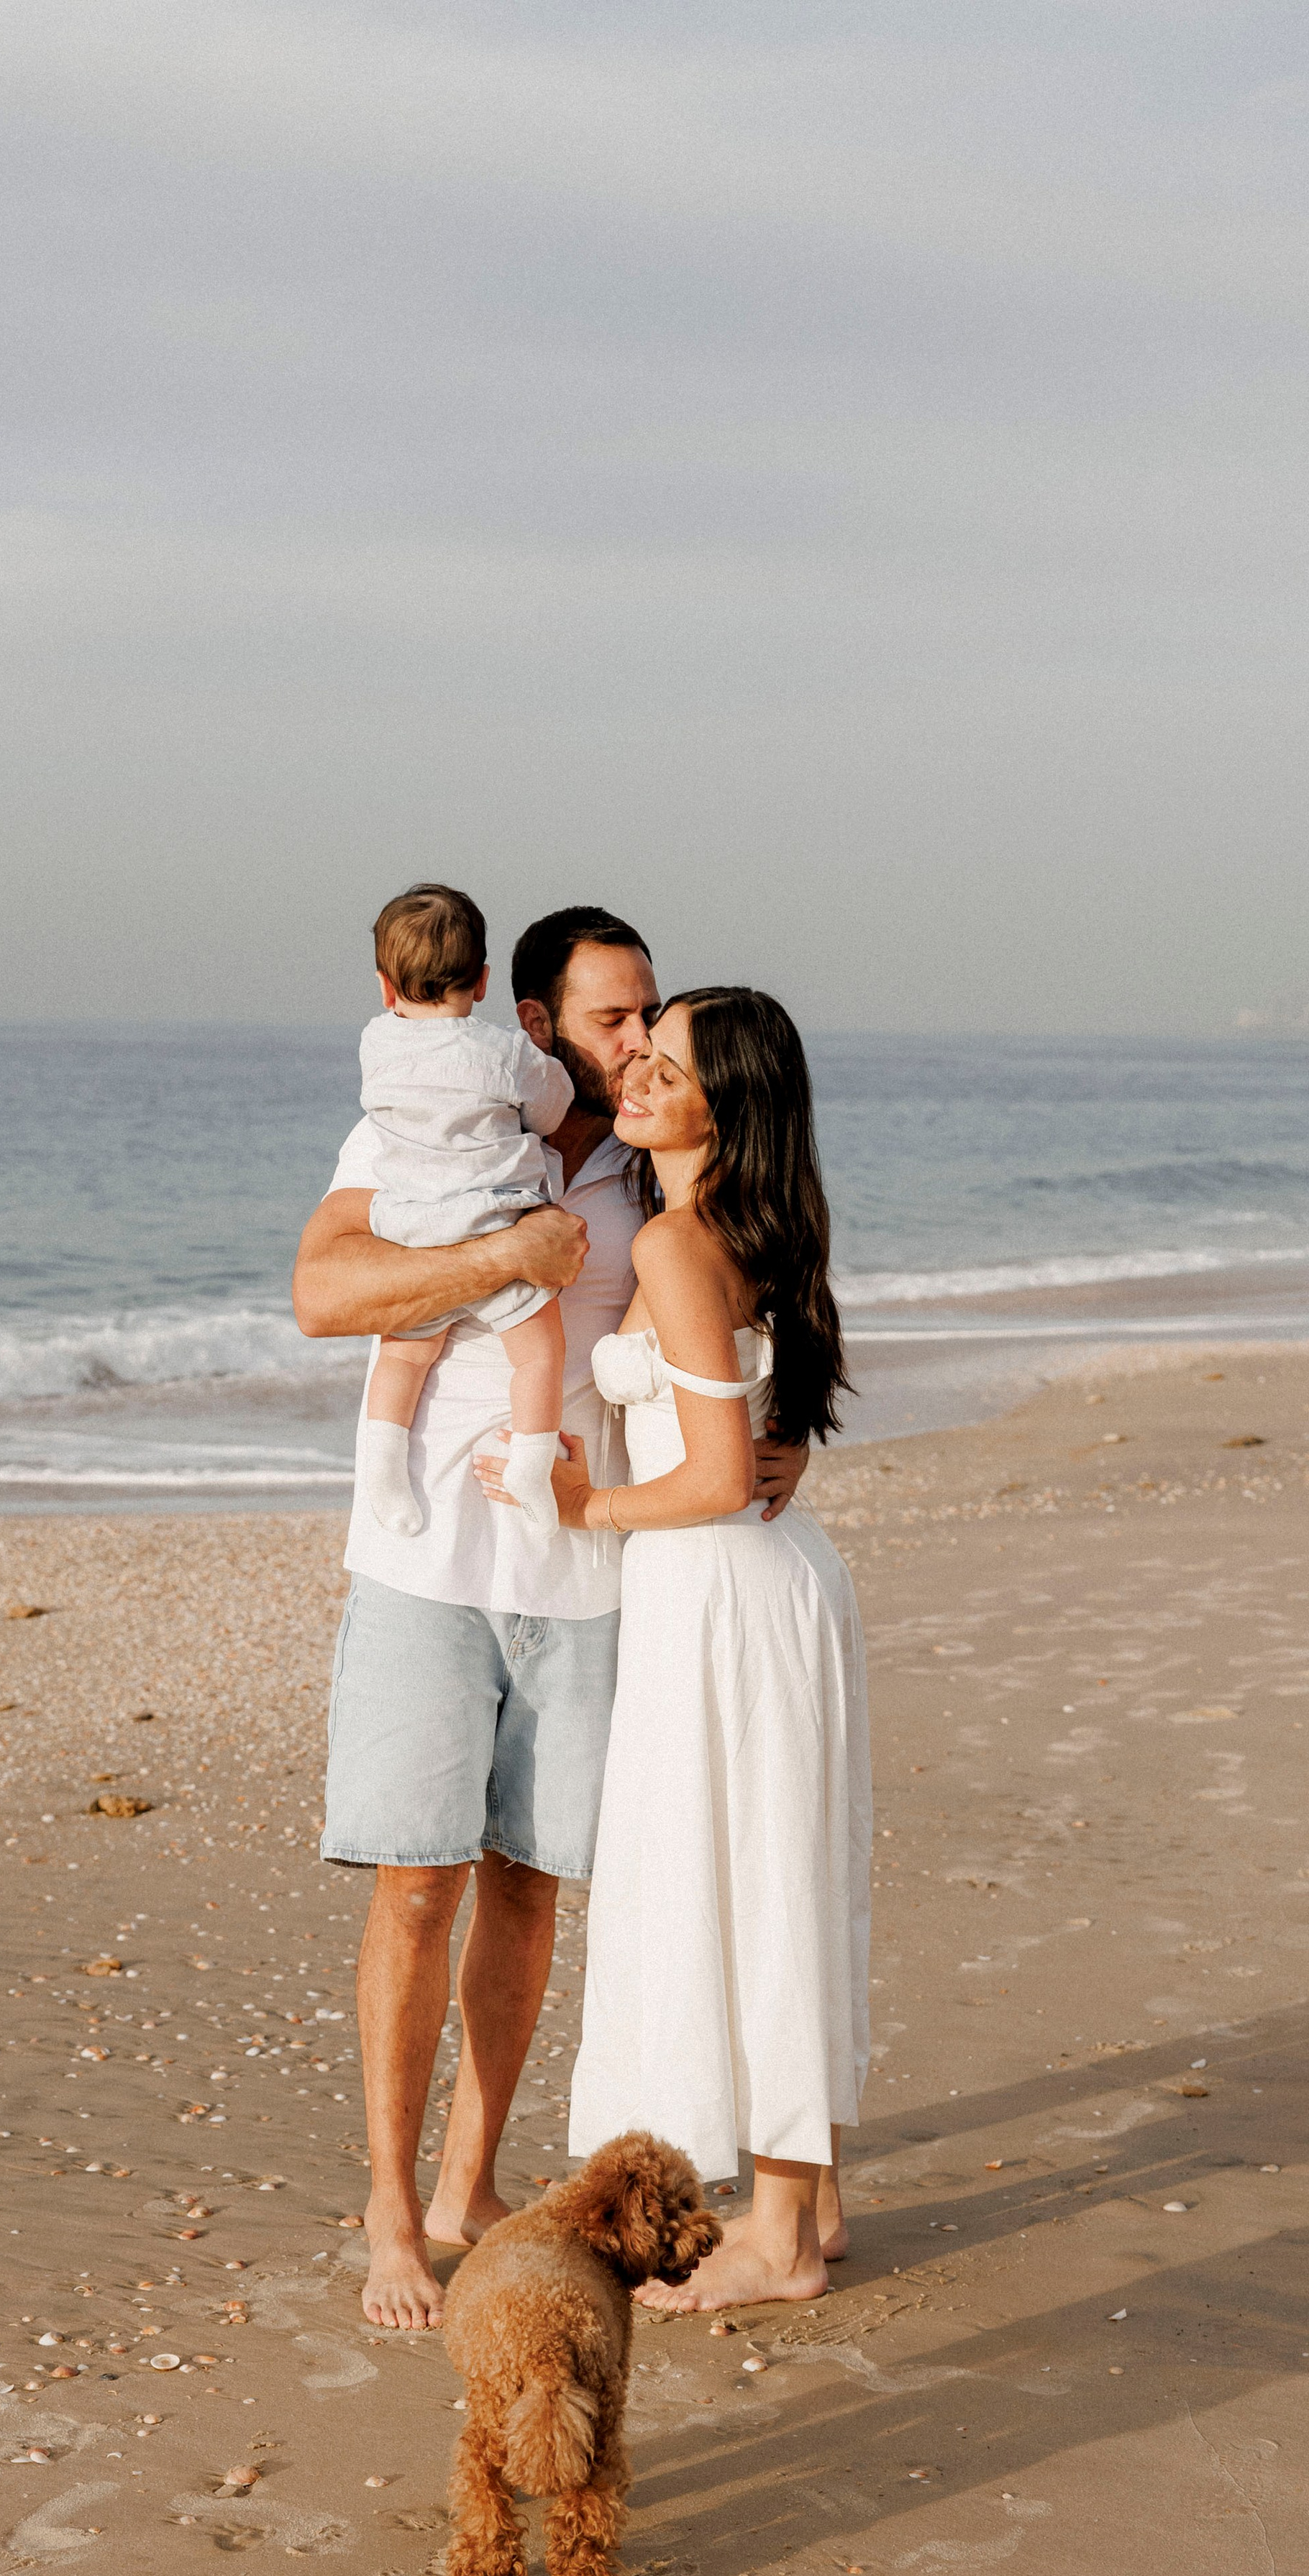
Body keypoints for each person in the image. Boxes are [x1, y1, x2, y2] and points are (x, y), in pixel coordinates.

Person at [293, 909, 812, 2330]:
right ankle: (391, 2212)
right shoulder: (441, 1137)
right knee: (414, 1883)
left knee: (528, 1884)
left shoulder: (657, 1169)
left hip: (591, 1586)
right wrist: (503, 1257)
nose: (636, 1042)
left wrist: (786, 1439)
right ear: (530, 1024)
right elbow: (321, 1292)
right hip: (425, 1566)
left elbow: (758, 1275)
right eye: (608, 1019)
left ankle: (468, 2187)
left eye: (645, 1015)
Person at [500, 987, 870, 2310]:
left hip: (720, 1589)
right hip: (761, 1587)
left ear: (731, 1102)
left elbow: (718, 1473)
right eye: (641, 1048)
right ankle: (808, 2205)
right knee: (775, 1873)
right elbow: (767, 1429)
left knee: (749, 1883)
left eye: (672, 1063)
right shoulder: (756, 1224)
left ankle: (776, 2238)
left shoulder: (671, 1244)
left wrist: (581, 1506)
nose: (641, 1070)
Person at [357, 885, 573, 1540]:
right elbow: (553, 1105)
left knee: (402, 1358)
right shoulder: (504, 1053)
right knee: (539, 1356)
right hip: (496, 1227)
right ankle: (531, 1468)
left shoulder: (374, 1044)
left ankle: (381, 1469)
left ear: (385, 987)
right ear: (482, 981)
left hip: (415, 1236)